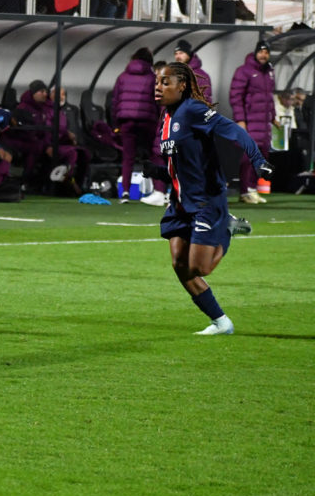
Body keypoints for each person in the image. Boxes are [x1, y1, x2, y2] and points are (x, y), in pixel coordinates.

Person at [154, 61, 272, 335]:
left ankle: (228, 228)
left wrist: (257, 159)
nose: (158, 88)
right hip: (180, 203)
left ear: (182, 86)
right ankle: (221, 322)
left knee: (200, 268)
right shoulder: (166, 119)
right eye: (157, 82)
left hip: (206, 201)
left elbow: (235, 131)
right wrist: (158, 172)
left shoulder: (193, 110)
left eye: (165, 82)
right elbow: (182, 165)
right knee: (179, 265)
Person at [229, 39, 276, 204]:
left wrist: (273, 116)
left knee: (262, 157)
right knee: (248, 157)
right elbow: (236, 97)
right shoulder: (244, 71)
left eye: (266, 52)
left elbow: (270, 98)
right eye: (261, 51)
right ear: (256, 53)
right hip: (250, 122)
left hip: (264, 124)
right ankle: (245, 191)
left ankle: (252, 189)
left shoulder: (269, 72)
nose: (264, 55)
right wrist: (240, 120)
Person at [111, 47, 158, 204]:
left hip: (126, 122)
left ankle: (125, 192)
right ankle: (157, 190)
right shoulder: (152, 78)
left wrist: (116, 124)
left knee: (128, 157)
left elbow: (115, 101)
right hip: (147, 121)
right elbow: (157, 101)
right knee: (153, 155)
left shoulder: (122, 77)